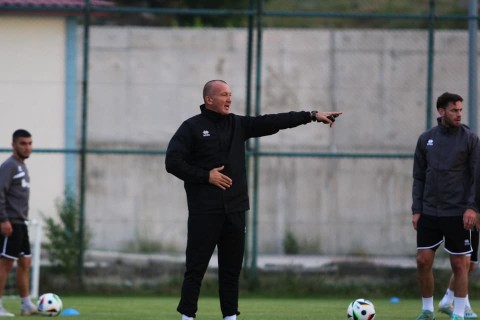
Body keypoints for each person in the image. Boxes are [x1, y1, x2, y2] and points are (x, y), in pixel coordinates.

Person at [165, 79, 342, 320]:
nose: (229, 99)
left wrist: (311, 115)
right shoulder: (191, 128)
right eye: (224, 94)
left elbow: (273, 121)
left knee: (231, 271)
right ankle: (187, 317)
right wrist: (206, 176)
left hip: (235, 210)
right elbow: (172, 162)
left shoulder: (238, 124)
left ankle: (230, 317)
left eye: (230, 94)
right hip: (204, 212)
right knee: (195, 269)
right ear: (209, 99)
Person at [412, 92, 480, 320]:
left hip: (458, 212)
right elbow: (419, 176)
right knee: (422, 261)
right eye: (454, 110)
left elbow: (476, 177)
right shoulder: (426, 139)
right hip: (430, 210)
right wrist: (417, 209)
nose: (459, 114)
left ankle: (459, 313)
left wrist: (473, 207)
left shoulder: (470, 139)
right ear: (441, 112)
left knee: (461, 264)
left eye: (460, 110)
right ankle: (427, 310)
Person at [0, 129, 38, 317]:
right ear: (14, 145)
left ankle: (26, 305)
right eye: (23, 143)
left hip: (21, 223)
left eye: (29, 143)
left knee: (25, 262)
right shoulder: (10, 166)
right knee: (6, 263)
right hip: (10, 222)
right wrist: (3, 219)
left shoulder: (22, 166)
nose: (27, 147)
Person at [438, 228, 479, 319]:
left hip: (474, 225)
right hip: (462, 220)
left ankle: (446, 301)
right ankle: (464, 305)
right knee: (464, 263)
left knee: (470, 265)